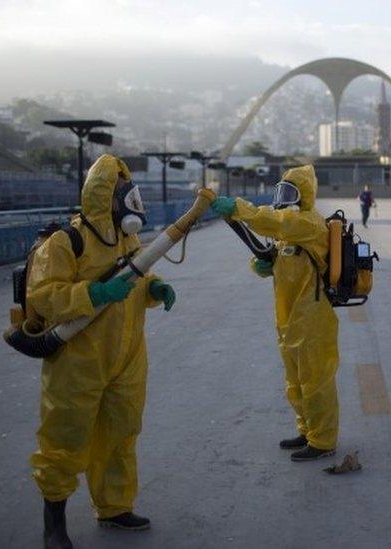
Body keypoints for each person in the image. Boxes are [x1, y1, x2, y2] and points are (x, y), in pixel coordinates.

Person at [28, 154, 176, 548]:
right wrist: (93, 293)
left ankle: (114, 507)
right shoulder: (66, 242)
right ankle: (53, 522)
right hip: (77, 361)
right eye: (120, 191)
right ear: (103, 196)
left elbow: (135, 278)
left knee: (120, 433)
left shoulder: (127, 238)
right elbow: (43, 296)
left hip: (126, 358)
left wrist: (153, 288)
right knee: (65, 437)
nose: (129, 199)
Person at [211, 165, 340, 462]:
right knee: (295, 381)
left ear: (305, 196)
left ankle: (324, 440)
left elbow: (271, 220)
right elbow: (284, 265)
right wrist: (265, 267)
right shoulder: (288, 235)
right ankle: (307, 431)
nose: (284, 198)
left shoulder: (307, 223)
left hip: (313, 318)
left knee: (316, 381)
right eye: (282, 191)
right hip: (289, 318)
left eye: (291, 192)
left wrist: (239, 208)